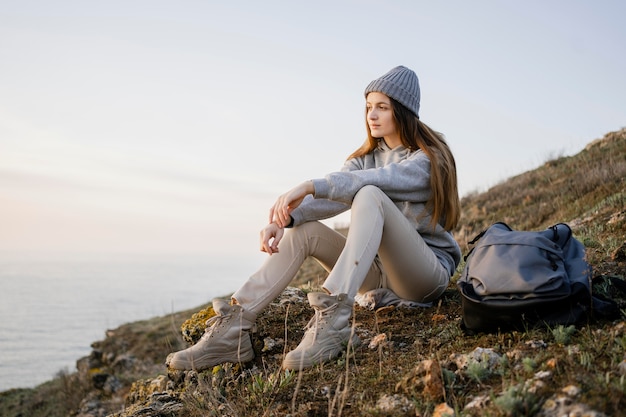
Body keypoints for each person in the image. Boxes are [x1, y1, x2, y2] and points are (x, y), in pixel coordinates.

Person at [166, 65, 461, 372]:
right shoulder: (363, 158)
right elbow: (332, 197)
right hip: (377, 272)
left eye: (382, 108)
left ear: (402, 112)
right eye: (369, 107)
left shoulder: (426, 159)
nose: (371, 116)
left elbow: (377, 180)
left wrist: (310, 184)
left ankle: (334, 321)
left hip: (424, 277)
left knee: (370, 193)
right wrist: (283, 219)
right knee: (303, 228)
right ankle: (233, 329)